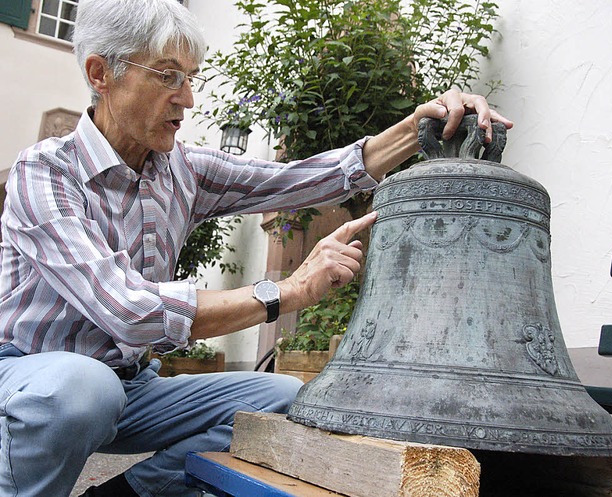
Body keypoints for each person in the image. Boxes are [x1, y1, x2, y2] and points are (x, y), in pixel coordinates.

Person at [0, 0, 513, 495]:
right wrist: (285, 292)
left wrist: (417, 126)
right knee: (82, 388)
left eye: (191, 78)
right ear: (100, 74)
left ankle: (129, 495)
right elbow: (129, 312)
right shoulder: (46, 172)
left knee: (283, 400)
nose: (187, 99)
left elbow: (303, 180)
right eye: (167, 75)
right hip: (30, 378)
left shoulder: (185, 170)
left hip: (132, 387)